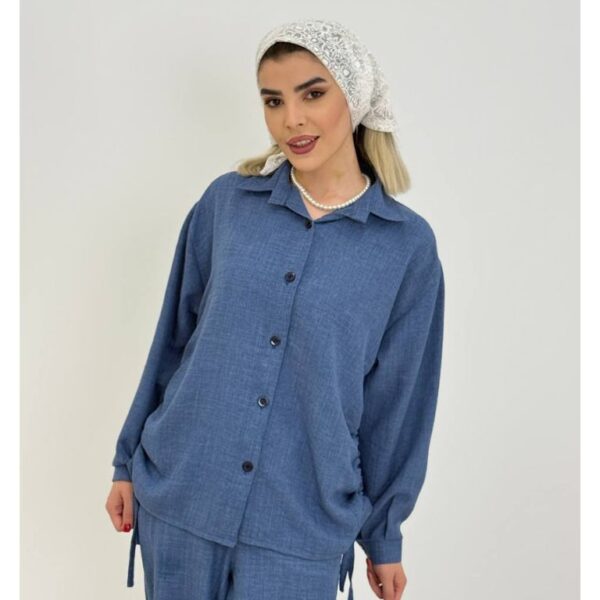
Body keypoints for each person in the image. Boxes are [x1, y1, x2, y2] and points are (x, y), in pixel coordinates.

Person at [105, 18, 445, 600]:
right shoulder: (227, 205)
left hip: (300, 528)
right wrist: (126, 461)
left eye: (313, 94)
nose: (292, 119)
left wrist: (384, 535)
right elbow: (173, 341)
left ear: (355, 98)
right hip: (182, 499)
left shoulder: (405, 247)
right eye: (273, 100)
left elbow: (399, 403)